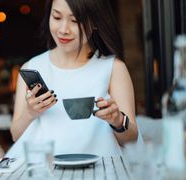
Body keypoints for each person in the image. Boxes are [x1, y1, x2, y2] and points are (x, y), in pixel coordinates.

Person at [7, 0, 140, 157]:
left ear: (95, 22)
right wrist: (30, 112)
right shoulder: (31, 67)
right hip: (45, 169)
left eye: (75, 21)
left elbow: (131, 140)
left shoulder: (113, 68)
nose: (63, 30)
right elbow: (15, 134)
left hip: (99, 168)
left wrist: (117, 120)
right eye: (56, 17)